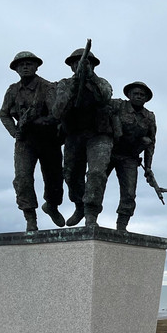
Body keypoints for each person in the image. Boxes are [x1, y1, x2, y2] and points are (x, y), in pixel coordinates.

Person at [0, 51, 64, 232]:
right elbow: (3, 114)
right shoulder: (13, 90)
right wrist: (14, 132)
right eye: (21, 65)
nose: (25, 67)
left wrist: (40, 121)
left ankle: (52, 205)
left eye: (29, 64)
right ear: (16, 69)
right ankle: (30, 217)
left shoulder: (48, 87)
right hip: (25, 140)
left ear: (36, 67)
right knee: (22, 178)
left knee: (54, 178)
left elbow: (56, 114)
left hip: (48, 139)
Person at [51, 44, 114, 227]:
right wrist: (74, 86)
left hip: (98, 135)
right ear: (71, 66)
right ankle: (79, 205)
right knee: (70, 175)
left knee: (96, 173)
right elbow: (57, 111)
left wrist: (90, 78)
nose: (79, 65)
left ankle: (91, 213)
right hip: (74, 134)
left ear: (92, 65)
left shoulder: (102, 82)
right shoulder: (64, 84)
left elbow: (105, 97)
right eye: (75, 63)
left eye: (85, 63)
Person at [106, 81, 157, 232]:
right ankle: (91, 216)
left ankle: (122, 226)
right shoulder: (117, 105)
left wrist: (148, 168)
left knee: (129, 193)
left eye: (142, 95)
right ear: (129, 95)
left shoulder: (149, 117)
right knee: (96, 182)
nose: (139, 96)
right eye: (136, 94)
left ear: (146, 98)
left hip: (129, 157)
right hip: (110, 152)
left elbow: (151, 143)